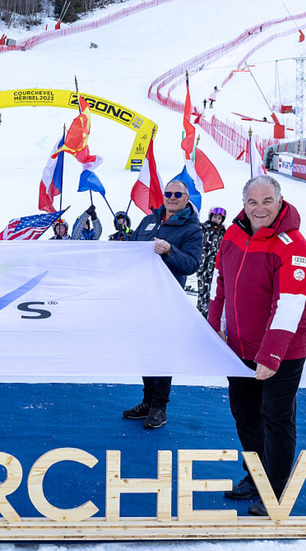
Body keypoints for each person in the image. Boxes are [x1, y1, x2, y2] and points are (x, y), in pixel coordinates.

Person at [207, 176, 306, 517]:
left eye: (267, 201)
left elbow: (290, 304)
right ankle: (256, 476)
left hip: (283, 350)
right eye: (253, 202)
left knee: (276, 418)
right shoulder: (233, 232)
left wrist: (270, 355)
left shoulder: (293, 244)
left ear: (280, 201)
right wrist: (214, 328)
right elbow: (219, 281)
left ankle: (277, 492)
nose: (259, 209)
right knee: (246, 415)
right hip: (239, 346)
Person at [121, 180, 203, 429]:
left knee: (163, 352)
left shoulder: (192, 229)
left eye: (178, 194)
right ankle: (147, 400)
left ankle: (159, 406)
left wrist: (169, 251)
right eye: (168, 193)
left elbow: (191, 264)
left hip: (168, 300)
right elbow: (132, 250)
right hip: (143, 297)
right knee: (145, 350)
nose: (172, 197)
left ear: (187, 198)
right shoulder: (149, 220)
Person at [197, 206, 227, 318]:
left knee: (213, 292)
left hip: (215, 267)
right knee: (202, 291)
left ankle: (211, 314)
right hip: (203, 265)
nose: (216, 219)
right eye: (215, 216)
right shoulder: (204, 227)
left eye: (219, 218)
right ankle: (200, 313)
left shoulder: (223, 232)